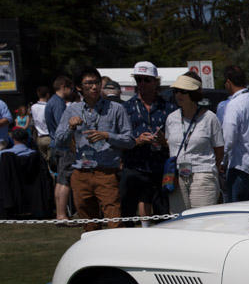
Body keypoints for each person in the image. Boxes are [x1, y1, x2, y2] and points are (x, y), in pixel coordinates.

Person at [52, 66, 134, 230]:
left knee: (115, 222)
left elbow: (130, 140)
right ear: (79, 87)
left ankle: (118, 253)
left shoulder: (116, 109)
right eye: (89, 83)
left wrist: (108, 136)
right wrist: (70, 128)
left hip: (107, 173)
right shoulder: (71, 110)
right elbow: (58, 142)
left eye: (97, 82)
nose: (95, 87)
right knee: (89, 224)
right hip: (81, 174)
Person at [121, 61, 175, 225]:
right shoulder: (126, 107)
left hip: (160, 168)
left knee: (162, 215)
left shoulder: (169, 108)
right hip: (134, 166)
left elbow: (177, 140)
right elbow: (120, 139)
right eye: (139, 79)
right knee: (127, 213)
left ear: (156, 82)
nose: (142, 84)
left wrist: (164, 141)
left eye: (146, 80)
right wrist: (137, 141)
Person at [166, 72, 224, 211]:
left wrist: (213, 169)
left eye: (183, 91)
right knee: (178, 222)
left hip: (203, 174)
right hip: (177, 177)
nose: (178, 94)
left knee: (201, 222)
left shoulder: (210, 118)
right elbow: (170, 144)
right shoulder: (171, 118)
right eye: (176, 91)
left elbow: (219, 148)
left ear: (194, 94)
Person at [220, 65, 249, 202]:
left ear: (228, 82)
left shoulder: (234, 104)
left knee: (235, 209)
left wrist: (222, 161)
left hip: (239, 165)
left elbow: (228, 137)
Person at [45, 75, 75, 221]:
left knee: (60, 180)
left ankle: (60, 213)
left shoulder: (52, 101)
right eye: (71, 89)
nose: (72, 92)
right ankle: (62, 215)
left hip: (55, 145)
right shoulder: (58, 104)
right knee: (65, 180)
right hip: (62, 147)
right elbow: (62, 127)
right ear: (64, 87)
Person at [31, 86, 51, 165]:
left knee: (43, 162)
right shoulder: (48, 107)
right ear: (47, 94)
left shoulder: (33, 107)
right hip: (49, 136)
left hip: (39, 137)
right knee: (52, 161)